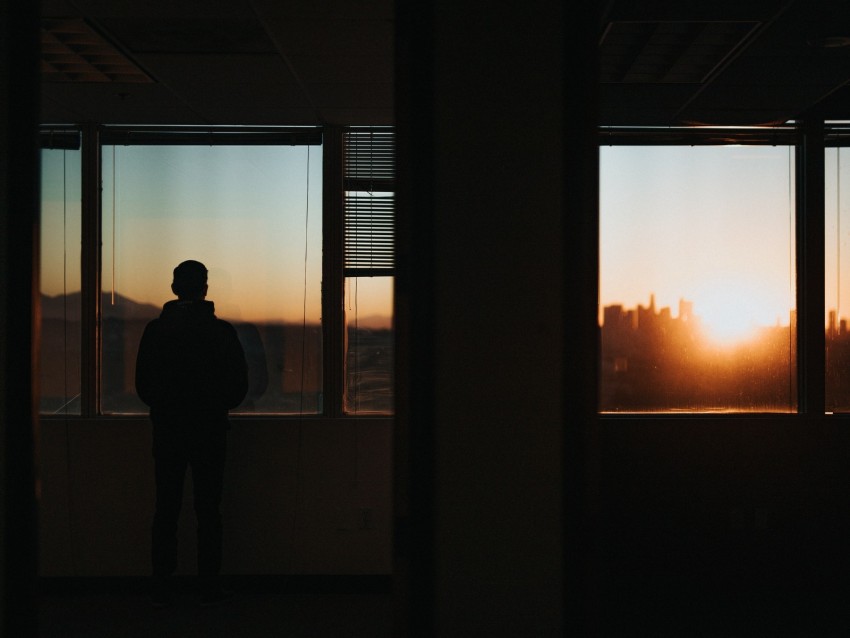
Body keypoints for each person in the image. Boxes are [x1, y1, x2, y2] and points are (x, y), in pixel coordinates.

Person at [135, 260, 248, 607]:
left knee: (166, 506)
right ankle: (209, 584)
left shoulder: (156, 332)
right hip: (210, 429)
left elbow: (143, 385)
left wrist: (168, 407)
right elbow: (238, 386)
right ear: (205, 290)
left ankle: (162, 583)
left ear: (174, 289)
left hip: (168, 429)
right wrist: (213, 406)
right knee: (209, 509)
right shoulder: (222, 332)